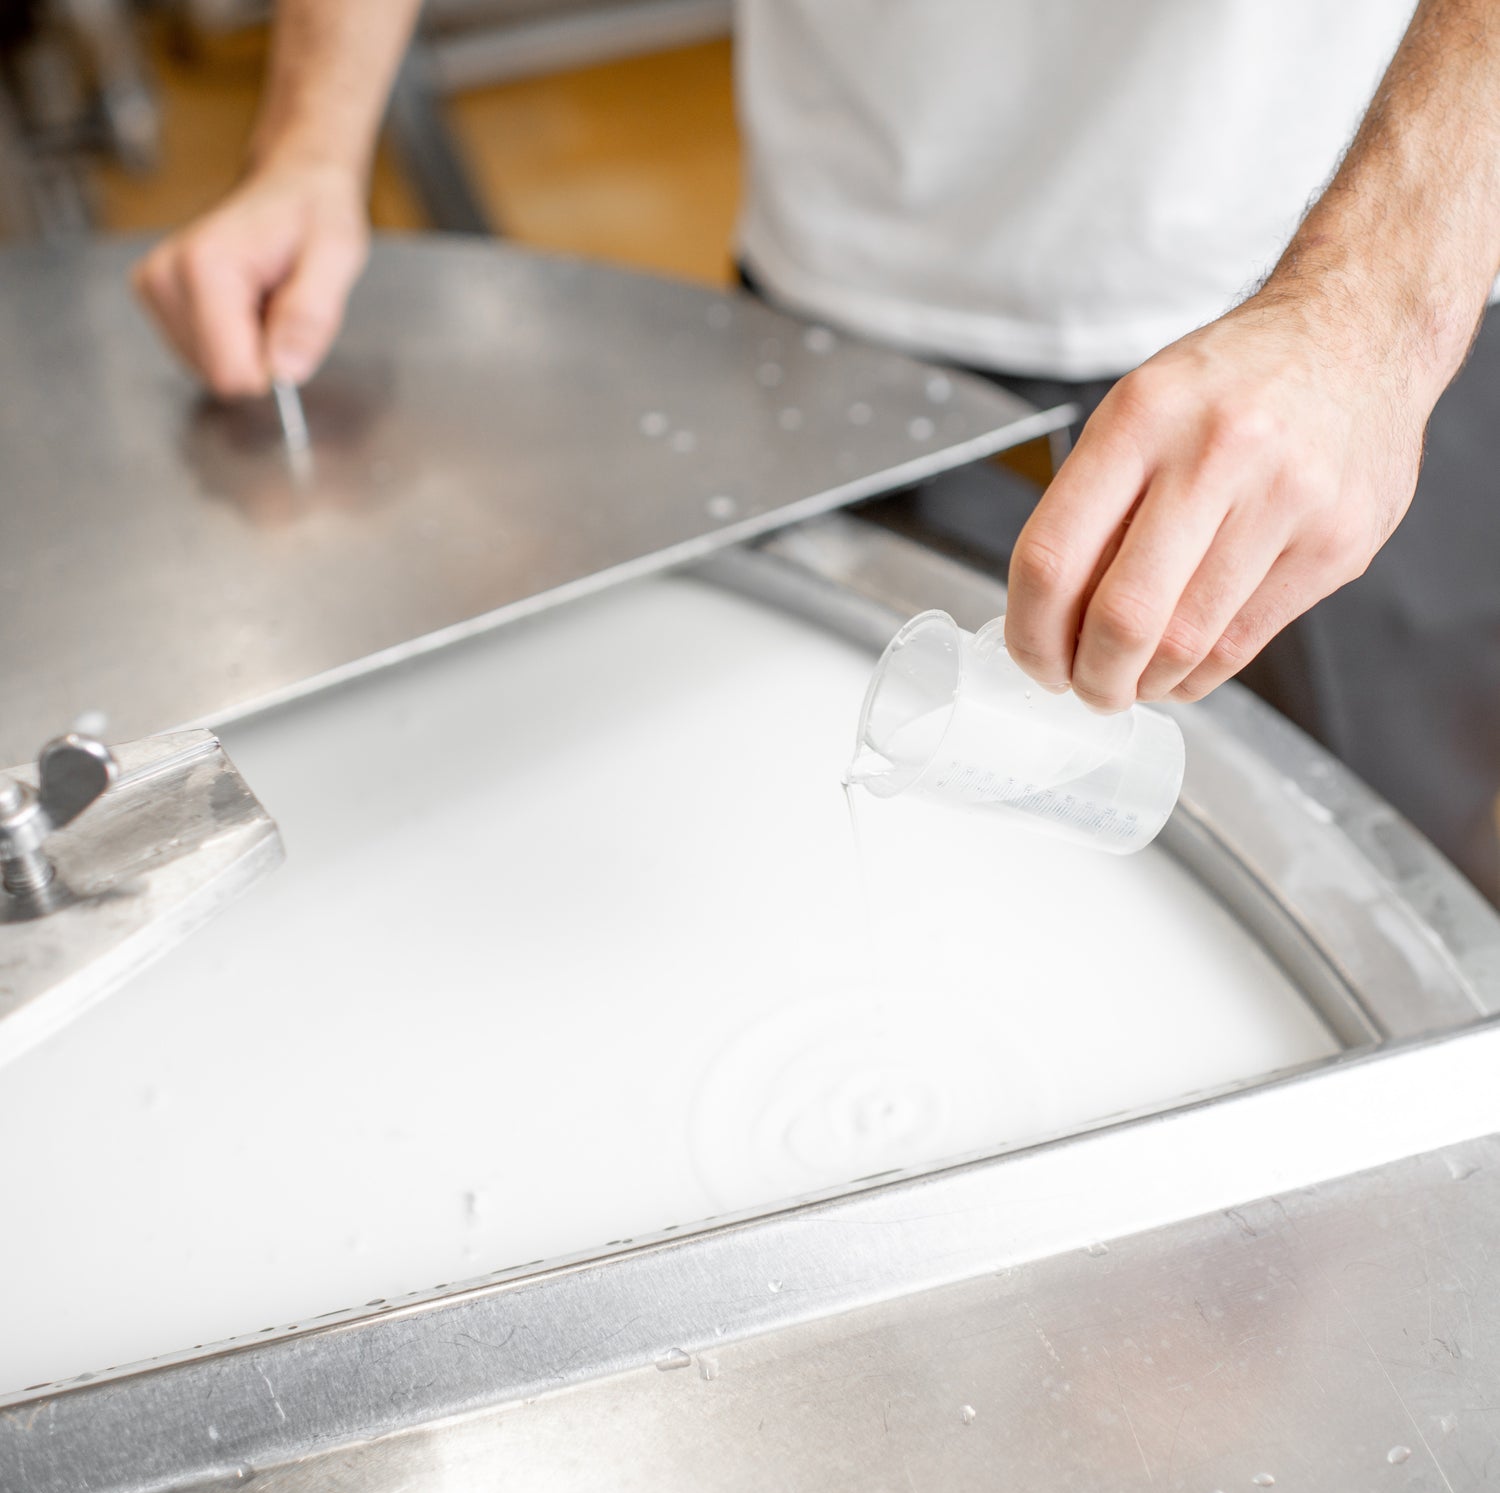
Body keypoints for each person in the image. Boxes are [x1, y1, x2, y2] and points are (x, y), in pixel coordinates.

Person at [134, 0, 1500, 901]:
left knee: (1389, 873)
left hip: (1359, 268)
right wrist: (310, 139)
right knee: (948, 887)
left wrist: (1377, 309)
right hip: (862, 268)